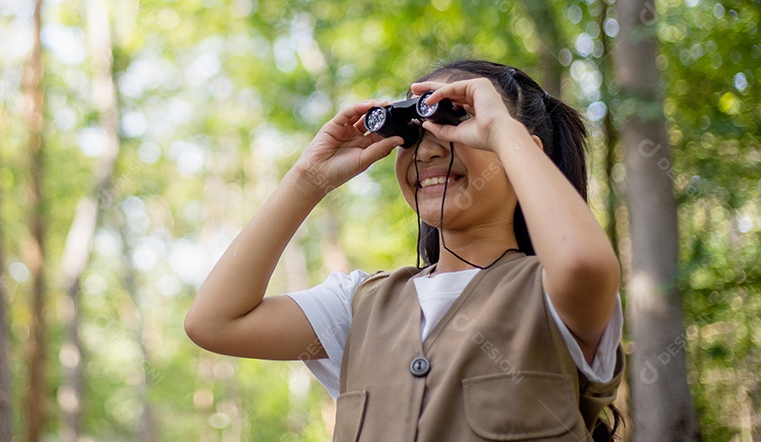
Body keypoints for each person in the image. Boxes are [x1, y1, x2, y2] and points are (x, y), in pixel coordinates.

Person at [185, 59, 624, 441]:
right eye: (411, 135)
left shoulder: (552, 295)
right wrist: (308, 179)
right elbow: (215, 321)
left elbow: (582, 263)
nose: (429, 150)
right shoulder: (360, 306)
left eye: (457, 123)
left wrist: (502, 129)